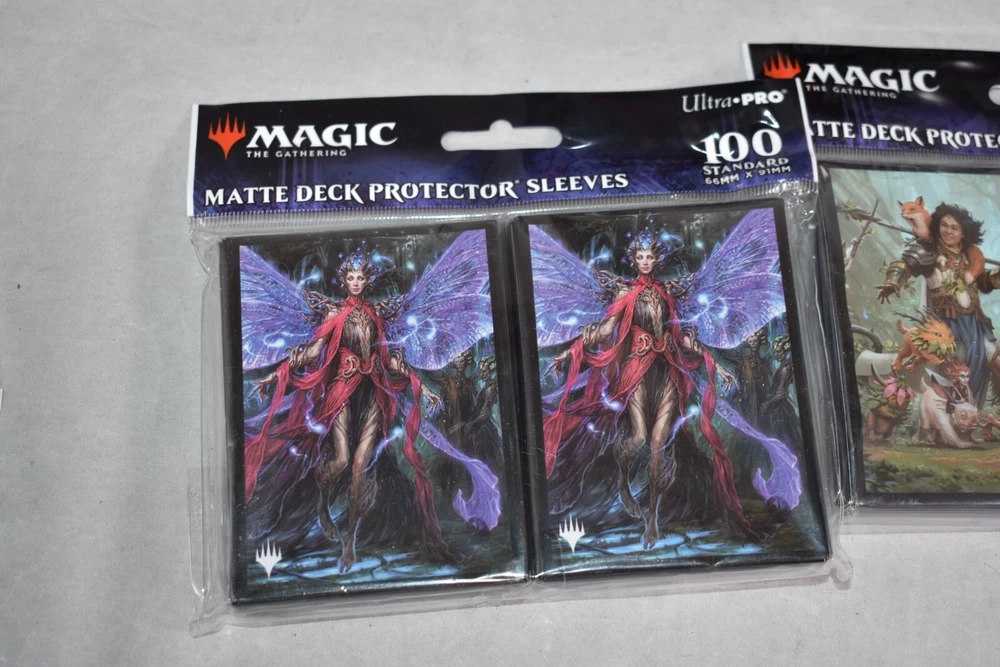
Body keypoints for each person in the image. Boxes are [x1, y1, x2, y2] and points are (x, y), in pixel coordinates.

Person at [546, 228, 749, 548]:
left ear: (657, 259)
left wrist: (717, 365)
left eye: (649, 256)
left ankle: (651, 517)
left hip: (667, 371)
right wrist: (568, 353)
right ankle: (622, 479)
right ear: (634, 260)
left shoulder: (668, 293)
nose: (644, 261)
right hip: (636, 372)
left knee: (658, 444)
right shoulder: (624, 292)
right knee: (639, 436)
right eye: (639, 256)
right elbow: (606, 331)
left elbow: (682, 337)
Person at [878, 204, 1000, 404]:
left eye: (954, 227)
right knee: (954, 365)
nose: (948, 231)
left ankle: (977, 412)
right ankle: (949, 411)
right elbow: (906, 264)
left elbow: (984, 282)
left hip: (974, 325)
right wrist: (893, 282)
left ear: (963, 233)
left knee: (995, 359)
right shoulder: (930, 251)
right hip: (945, 326)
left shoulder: (969, 257)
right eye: (944, 225)